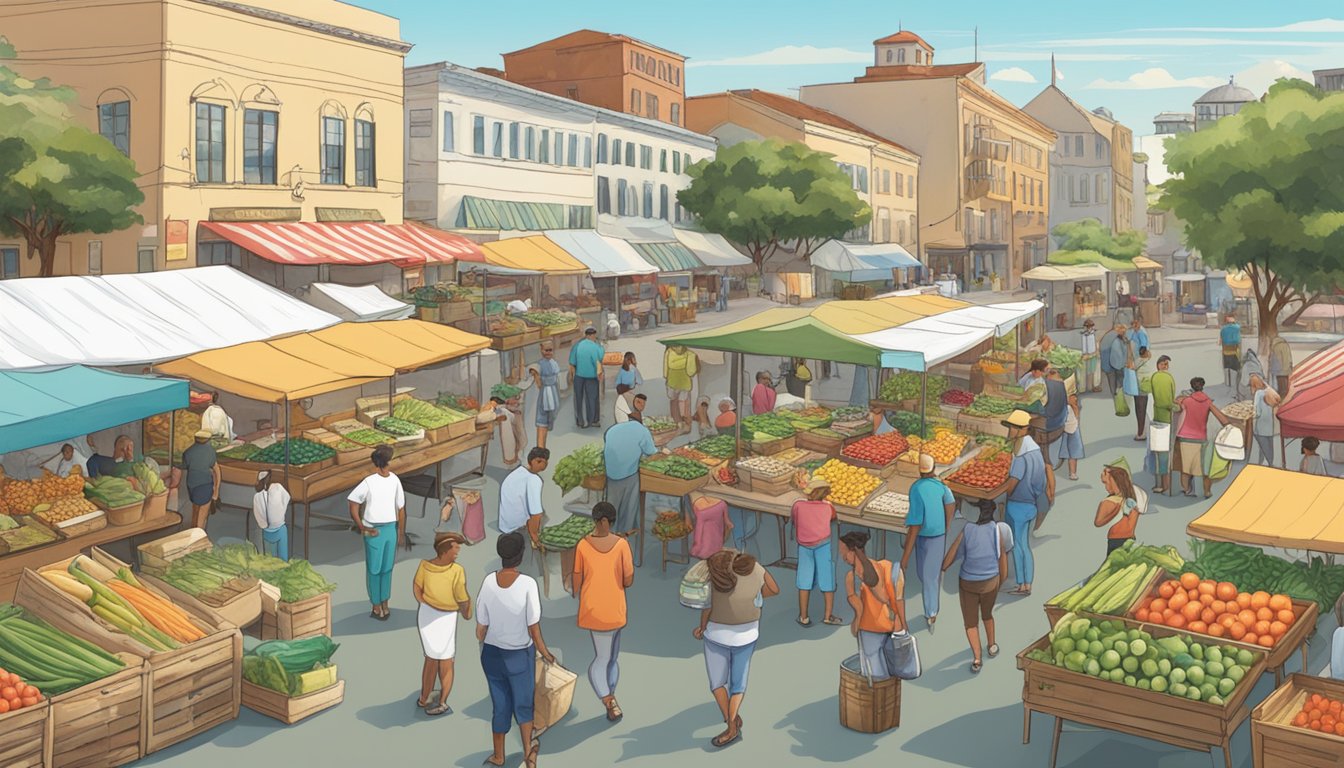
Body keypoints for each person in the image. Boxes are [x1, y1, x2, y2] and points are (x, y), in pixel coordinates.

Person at [477, 532, 554, 768]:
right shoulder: (528, 585)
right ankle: (528, 754)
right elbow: (534, 629)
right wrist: (546, 653)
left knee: (500, 705)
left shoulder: (489, 582)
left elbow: (481, 628)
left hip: (491, 655)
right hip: (519, 655)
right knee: (523, 705)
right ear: (520, 556)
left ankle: (498, 755)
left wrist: (487, 643)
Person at [692, 550, 779, 749]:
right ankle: (732, 721)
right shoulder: (756, 569)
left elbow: (707, 607)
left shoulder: (716, 575)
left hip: (716, 634)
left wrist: (702, 627)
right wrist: (755, 597)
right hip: (747, 634)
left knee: (717, 683)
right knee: (737, 685)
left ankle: (730, 723)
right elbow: (774, 589)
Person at [572, 501, 635, 722]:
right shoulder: (622, 545)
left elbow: (577, 577)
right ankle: (609, 700)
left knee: (608, 657)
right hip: (614, 608)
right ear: (607, 521)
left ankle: (610, 695)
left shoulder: (582, 545)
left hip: (594, 607)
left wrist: (577, 592)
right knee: (606, 658)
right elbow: (628, 579)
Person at [941, 499, 1012, 674]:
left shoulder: (967, 529)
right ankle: (992, 644)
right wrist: (1000, 580)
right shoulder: (997, 530)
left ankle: (977, 658)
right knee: (987, 615)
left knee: (971, 622)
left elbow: (952, 553)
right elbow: (1002, 558)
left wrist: (944, 566)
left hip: (968, 582)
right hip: (991, 581)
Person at [347, 444, 407, 621]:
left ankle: (385, 603)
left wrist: (401, 532)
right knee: (374, 569)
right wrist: (362, 526)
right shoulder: (369, 482)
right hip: (373, 529)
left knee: (387, 568)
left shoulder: (395, 480)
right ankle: (375, 605)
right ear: (386, 462)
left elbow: (401, 507)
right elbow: (353, 502)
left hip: (390, 528)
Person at [413, 532, 471, 717]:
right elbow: (462, 598)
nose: (458, 551)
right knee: (446, 661)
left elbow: (417, 589)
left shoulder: (424, 566)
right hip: (446, 618)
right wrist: (467, 613)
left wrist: (427, 603)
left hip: (426, 616)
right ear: (446, 550)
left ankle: (424, 698)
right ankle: (443, 701)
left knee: (430, 658)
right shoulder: (457, 571)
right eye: (456, 548)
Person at [900, 453, 955, 632]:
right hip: (937, 536)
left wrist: (905, 558)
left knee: (928, 575)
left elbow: (915, 525)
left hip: (924, 536)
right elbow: (951, 504)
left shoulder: (916, 488)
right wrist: (946, 526)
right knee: (928, 574)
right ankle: (931, 607)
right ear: (933, 469)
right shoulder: (941, 487)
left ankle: (931, 612)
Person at [840, 531, 904, 680]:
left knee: (874, 675)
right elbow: (889, 598)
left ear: (852, 551)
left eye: (843, 551)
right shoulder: (881, 566)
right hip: (888, 625)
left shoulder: (851, 578)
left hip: (868, 628)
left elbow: (859, 609)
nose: (842, 555)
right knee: (891, 671)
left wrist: (856, 627)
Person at [1001, 410, 1051, 596]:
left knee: (1019, 545)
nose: (1010, 431)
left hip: (1017, 505)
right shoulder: (1035, 451)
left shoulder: (1021, 456)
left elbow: (1012, 483)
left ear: (1021, 430)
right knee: (1025, 545)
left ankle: (1023, 585)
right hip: (1031, 504)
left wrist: (1004, 492)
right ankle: (1026, 583)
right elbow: (1041, 482)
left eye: (1012, 427)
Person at [603, 411, 662, 536]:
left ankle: (608, 531)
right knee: (630, 500)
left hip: (611, 473)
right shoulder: (642, 430)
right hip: (628, 475)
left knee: (612, 503)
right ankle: (626, 530)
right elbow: (651, 453)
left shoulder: (613, 429)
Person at [791, 477, 840, 627]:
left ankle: (804, 616)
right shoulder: (828, 507)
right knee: (827, 578)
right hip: (823, 544)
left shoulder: (798, 505)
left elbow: (794, 519)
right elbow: (833, 518)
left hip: (804, 546)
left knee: (804, 581)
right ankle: (828, 615)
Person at [1173, 377, 1232, 499]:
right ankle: (1205, 491)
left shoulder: (1186, 401)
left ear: (1192, 387)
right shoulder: (1207, 402)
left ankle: (1187, 489)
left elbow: (1176, 403)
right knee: (1203, 466)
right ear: (1202, 386)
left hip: (1185, 437)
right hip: (1201, 438)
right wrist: (1229, 426)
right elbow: (1221, 417)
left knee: (1185, 467)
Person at [498, 447, 548, 550]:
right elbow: (535, 513)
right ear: (531, 461)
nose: (543, 465)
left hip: (505, 524)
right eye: (539, 461)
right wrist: (535, 538)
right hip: (517, 529)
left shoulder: (518, 472)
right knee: (541, 516)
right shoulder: (534, 480)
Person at [1094, 458, 1143, 556]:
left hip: (1119, 539)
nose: (1106, 488)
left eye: (1106, 483)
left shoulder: (1108, 502)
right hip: (1127, 539)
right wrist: (1115, 512)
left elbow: (1098, 522)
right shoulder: (1131, 500)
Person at [1148, 355, 1178, 494]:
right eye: (1165, 364)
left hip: (1157, 418)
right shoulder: (1168, 378)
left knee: (1157, 453)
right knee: (1165, 453)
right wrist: (1176, 406)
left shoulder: (1154, 377)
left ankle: (1159, 484)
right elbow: (1168, 401)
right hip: (1167, 419)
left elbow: (1147, 388)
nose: (1166, 366)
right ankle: (1166, 485)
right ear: (1161, 365)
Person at [179, 431, 219, 530]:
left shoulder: (188, 452)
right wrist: (216, 491)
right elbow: (217, 472)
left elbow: (184, 466)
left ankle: (193, 536)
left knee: (195, 514)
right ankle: (198, 541)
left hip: (191, 485)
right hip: (204, 485)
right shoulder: (210, 451)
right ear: (208, 440)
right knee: (201, 519)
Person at [569, 327, 605, 430]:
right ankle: (593, 420)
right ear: (591, 335)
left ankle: (580, 421)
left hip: (579, 376)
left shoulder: (577, 345)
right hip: (591, 377)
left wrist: (573, 375)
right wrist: (601, 347)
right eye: (594, 335)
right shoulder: (595, 346)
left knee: (579, 399)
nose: (595, 337)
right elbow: (600, 358)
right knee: (592, 398)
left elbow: (572, 361)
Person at [527, 345, 562, 449]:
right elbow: (533, 370)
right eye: (546, 350)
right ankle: (540, 447)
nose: (548, 352)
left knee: (549, 418)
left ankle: (543, 446)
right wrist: (536, 376)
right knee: (542, 421)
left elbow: (556, 379)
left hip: (553, 392)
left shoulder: (554, 363)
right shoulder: (540, 364)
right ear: (541, 351)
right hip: (544, 394)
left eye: (550, 350)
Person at [252, 470, 290, 561]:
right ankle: (284, 562)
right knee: (283, 557)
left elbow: (258, 516)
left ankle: (271, 561)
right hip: (280, 529)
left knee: (270, 557)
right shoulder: (277, 488)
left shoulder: (257, 497)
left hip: (265, 531)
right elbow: (287, 498)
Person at [1054, 373, 1085, 481]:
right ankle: (1068, 471)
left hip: (1070, 424)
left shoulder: (1069, 390)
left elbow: (1074, 405)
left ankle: (1072, 472)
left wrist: (1076, 418)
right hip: (1063, 423)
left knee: (1072, 449)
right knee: (1067, 448)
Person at [664, 345, 699, 433]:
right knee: (685, 403)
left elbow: (665, 371)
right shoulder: (690, 354)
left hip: (672, 381)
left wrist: (667, 376)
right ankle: (686, 426)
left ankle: (677, 424)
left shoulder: (668, 351)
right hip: (685, 382)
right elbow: (690, 371)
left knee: (673, 402)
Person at [1250, 374, 1282, 467]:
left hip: (1260, 427)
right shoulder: (1268, 391)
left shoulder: (1258, 394)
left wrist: (1250, 415)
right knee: (1268, 449)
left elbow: (1257, 412)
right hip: (1269, 427)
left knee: (1263, 450)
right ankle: (1265, 464)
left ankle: (1268, 466)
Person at [688, 492, 731, 560]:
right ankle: (711, 549)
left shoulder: (701, 512)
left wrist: (697, 546)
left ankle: (704, 549)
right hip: (718, 504)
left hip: (704, 510)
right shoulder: (722, 504)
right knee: (715, 528)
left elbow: (699, 530)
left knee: (706, 531)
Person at [1129, 347, 1154, 440]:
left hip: (1138, 388)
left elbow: (1130, 367)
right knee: (1143, 410)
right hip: (1146, 389)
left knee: (1139, 411)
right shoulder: (1149, 362)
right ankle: (1142, 432)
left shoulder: (1137, 361)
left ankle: (1140, 433)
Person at [1220, 315, 1242, 397]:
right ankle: (1236, 386)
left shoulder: (1223, 329)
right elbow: (1239, 341)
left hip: (1226, 352)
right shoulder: (1237, 328)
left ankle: (1228, 383)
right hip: (1235, 352)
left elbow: (1221, 341)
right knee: (1237, 370)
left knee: (1227, 369)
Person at [1107, 324, 1130, 396]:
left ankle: (1119, 392)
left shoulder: (1122, 340)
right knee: (1120, 378)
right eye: (1124, 332)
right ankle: (1120, 393)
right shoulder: (1116, 342)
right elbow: (1118, 355)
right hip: (1118, 364)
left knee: (1120, 378)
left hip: (1119, 364)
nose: (1125, 334)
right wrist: (1124, 363)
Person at [1080, 319, 1101, 393]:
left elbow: (1096, 343)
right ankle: (1085, 388)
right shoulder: (1084, 335)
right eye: (1088, 327)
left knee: (1094, 371)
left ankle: (1094, 386)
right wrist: (1085, 354)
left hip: (1094, 354)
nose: (1090, 328)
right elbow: (1084, 346)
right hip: (1087, 355)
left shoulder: (1094, 333)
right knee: (1087, 372)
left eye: (1090, 326)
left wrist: (1097, 352)